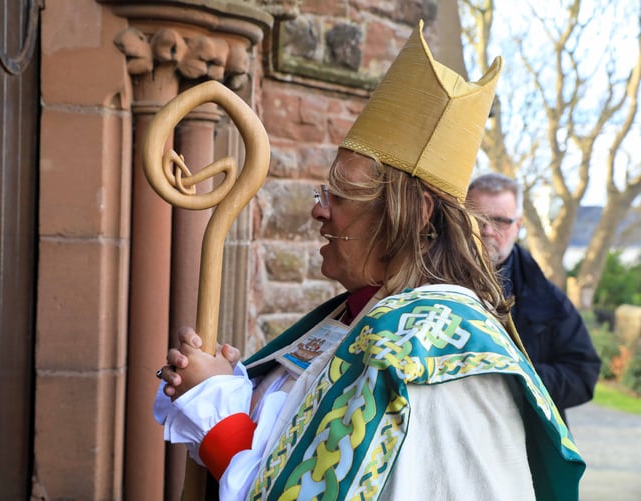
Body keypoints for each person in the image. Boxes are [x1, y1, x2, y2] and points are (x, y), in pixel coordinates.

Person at [153, 21, 585, 500]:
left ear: (415, 213)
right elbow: (287, 448)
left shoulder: (423, 349)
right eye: (325, 191)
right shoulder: (352, 317)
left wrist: (217, 415)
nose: (319, 209)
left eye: (341, 195)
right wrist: (235, 392)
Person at [466, 173, 601, 422]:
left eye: (499, 221)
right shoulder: (424, 279)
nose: (486, 230)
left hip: (523, 443)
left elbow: (583, 375)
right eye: (477, 218)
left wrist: (515, 378)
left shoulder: (549, 299)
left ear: (518, 226)